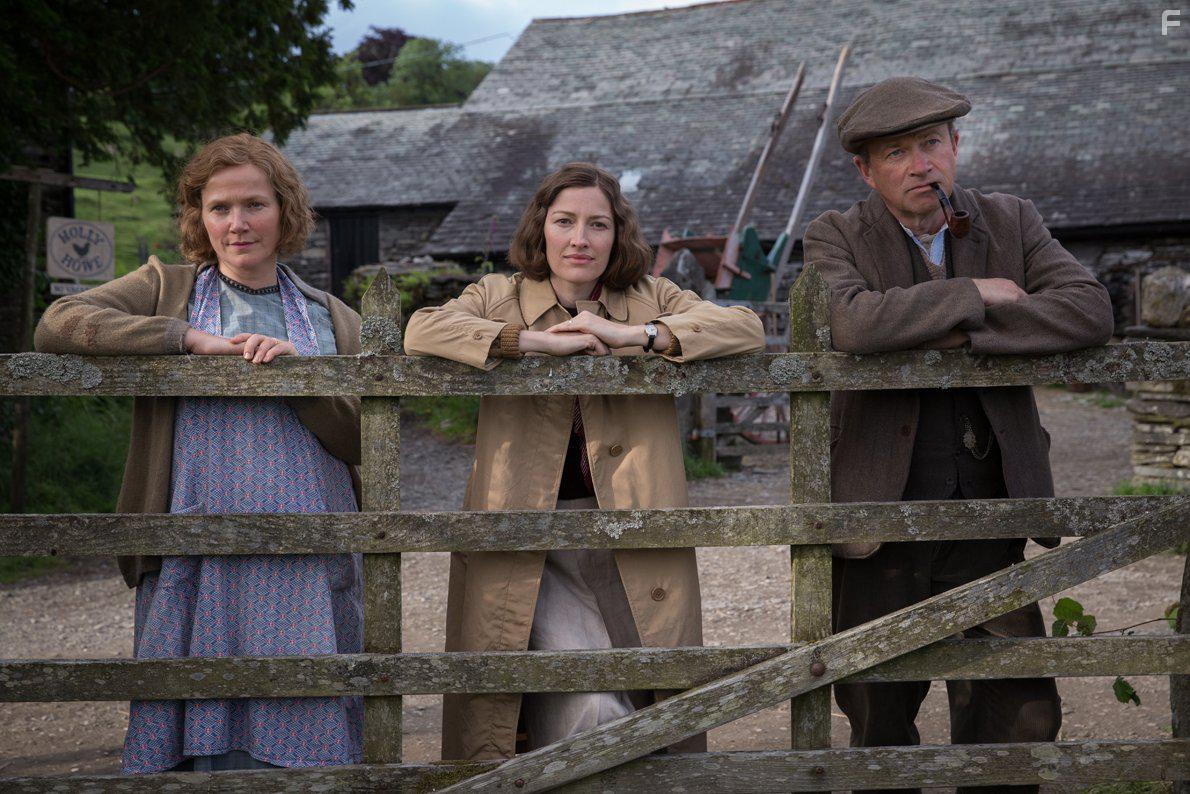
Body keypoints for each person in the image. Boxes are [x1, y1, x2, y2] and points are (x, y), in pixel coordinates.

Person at [802, 77, 1115, 794]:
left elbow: (1086, 311)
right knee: (880, 719)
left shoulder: (1012, 221)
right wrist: (978, 295)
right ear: (865, 169)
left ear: (956, 146)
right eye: (896, 152)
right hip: (881, 519)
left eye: (932, 145)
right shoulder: (836, 235)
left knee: (1021, 714)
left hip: (993, 514)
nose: (921, 165)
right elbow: (853, 324)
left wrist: (948, 331)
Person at [404, 161, 765, 760]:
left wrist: (640, 335)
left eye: (597, 224)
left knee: (650, 692)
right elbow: (421, 328)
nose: (580, 239)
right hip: (529, 544)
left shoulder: (650, 296)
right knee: (584, 703)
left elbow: (744, 326)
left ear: (617, 235)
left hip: (631, 534)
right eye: (565, 221)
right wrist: (528, 341)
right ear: (541, 228)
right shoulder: (499, 295)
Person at [35, 133, 364, 773]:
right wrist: (186, 338)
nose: (237, 223)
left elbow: (362, 445)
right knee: (192, 724)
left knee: (304, 725)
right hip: (194, 549)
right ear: (199, 217)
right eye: (219, 208)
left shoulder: (333, 317)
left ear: (285, 211)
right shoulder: (166, 287)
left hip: (306, 558)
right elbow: (58, 323)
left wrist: (303, 381)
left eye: (254, 205)